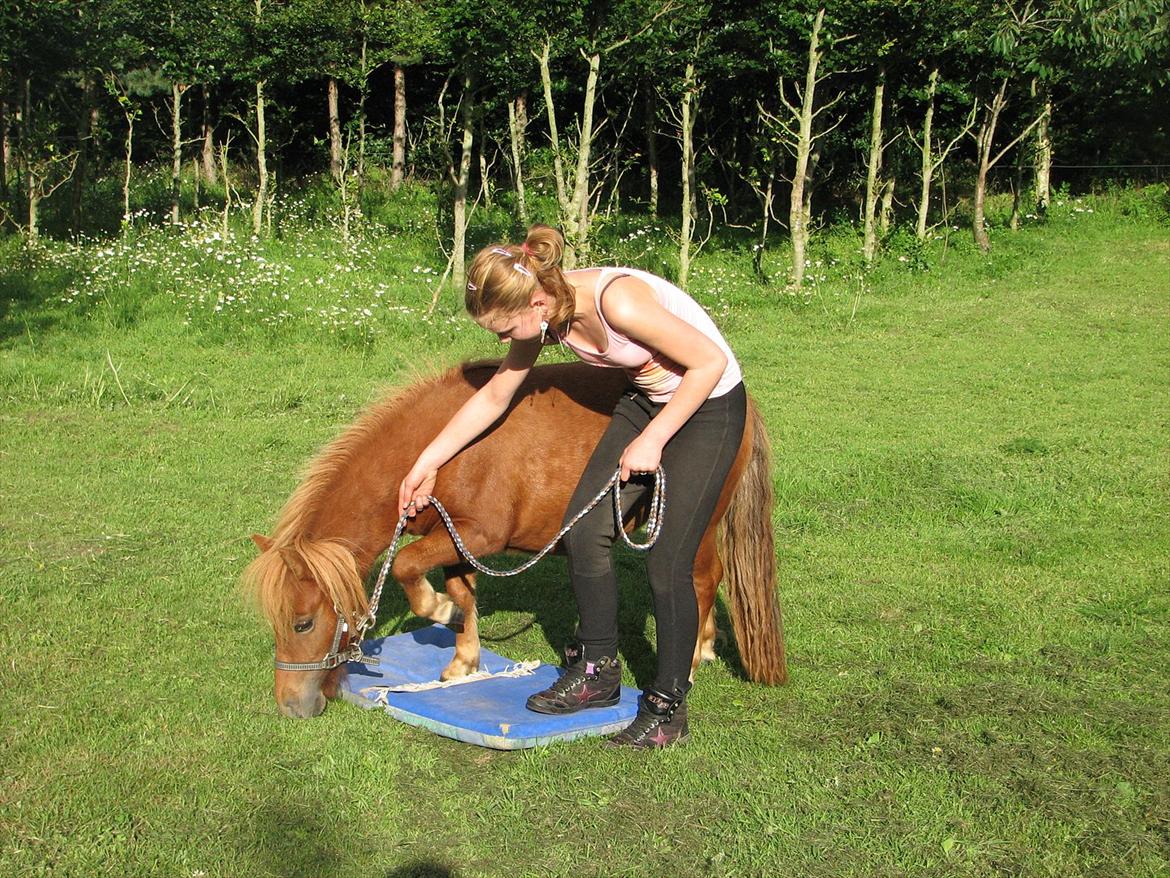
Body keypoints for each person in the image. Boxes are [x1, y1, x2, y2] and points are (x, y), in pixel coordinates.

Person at [398, 224, 746, 749]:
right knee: (584, 532)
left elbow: (710, 362)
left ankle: (667, 707)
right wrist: (427, 461)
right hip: (646, 399)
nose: (501, 339)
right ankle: (597, 675)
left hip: (709, 406)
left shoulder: (617, 302)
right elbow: (496, 396)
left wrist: (651, 442)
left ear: (538, 301)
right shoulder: (542, 316)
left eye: (503, 327)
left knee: (666, 561)